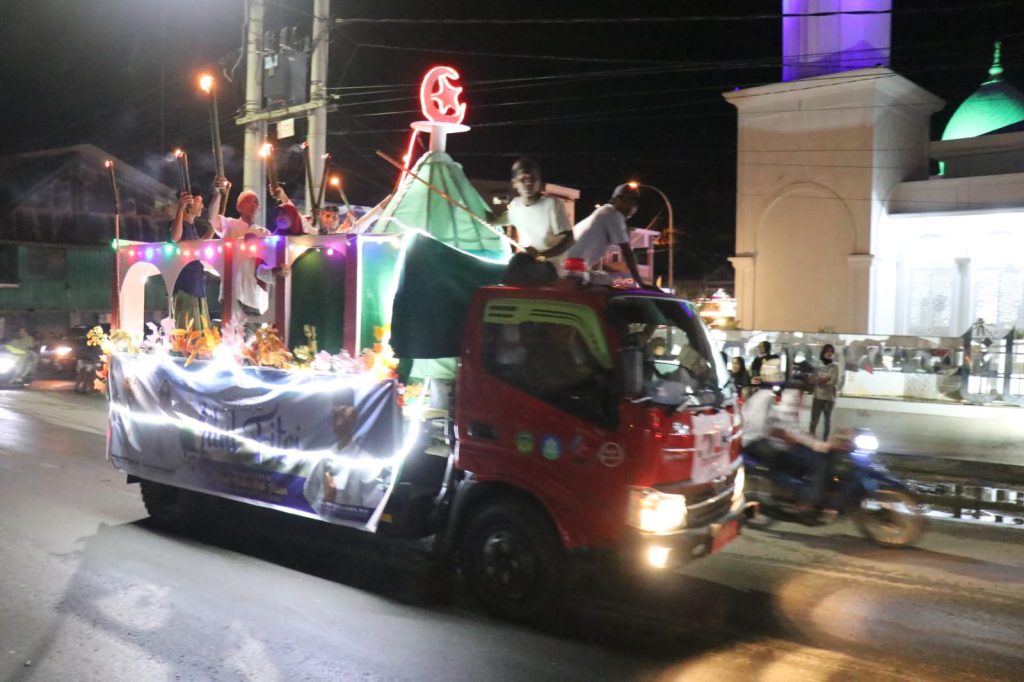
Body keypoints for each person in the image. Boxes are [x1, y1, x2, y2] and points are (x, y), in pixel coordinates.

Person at [742, 383, 831, 514]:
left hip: (761, 442)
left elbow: (789, 428)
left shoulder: (764, 395)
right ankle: (807, 503)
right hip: (771, 444)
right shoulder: (788, 398)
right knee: (819, 463)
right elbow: (786, 430)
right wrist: (816, 444)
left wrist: (809, 439)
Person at [564, 183, 655, 290]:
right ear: (617, 200)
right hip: (573, 268)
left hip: (569, 265)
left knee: (605, 280)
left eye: (634, 202)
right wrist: (641, 283)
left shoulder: (604, 211)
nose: (632, 206)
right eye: (628, 201)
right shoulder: (613, 215)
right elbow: (627, 252)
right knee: (606, 288)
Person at [500, 157, 574, 265]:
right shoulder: (516, 205)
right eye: (523, 179)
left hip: (550, 265)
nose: (528, 182)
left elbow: (569, 239)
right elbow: (497, 220)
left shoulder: (552, 204)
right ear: (514, 183)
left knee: (517, 263)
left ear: (540, 182)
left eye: (533, 178)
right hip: (528, 262)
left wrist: (541, 256)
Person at [169, 188, 213, 331]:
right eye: (199, 202)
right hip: (185, 285)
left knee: (200, 328)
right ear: (189, 203)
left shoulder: (191, 227)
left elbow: (200, 245)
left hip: (196, 283)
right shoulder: (179, 223)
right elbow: (175, 237)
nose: (202, 206)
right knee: (188, 329)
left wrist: (214, 228)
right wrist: (181, 207)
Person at [231, 229, 290, 331]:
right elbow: (262, 273)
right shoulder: (238, 254)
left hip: (248, 304)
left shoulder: (256, 258)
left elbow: (262, 273)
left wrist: (277, 271)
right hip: (245, 304)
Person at [810, 343, 840, 439]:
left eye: (831, 351)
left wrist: (822, 380)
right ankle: (811, 439)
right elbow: (814, 379)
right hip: (817, 396)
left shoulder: (834, 367)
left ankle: (825, 440)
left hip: (828, 398)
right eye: (827, 351)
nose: (829, 353)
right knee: (814, 419)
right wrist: (824, 379)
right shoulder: (817, 365)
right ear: (823, 352)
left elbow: (833, 381)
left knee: (827, 420)